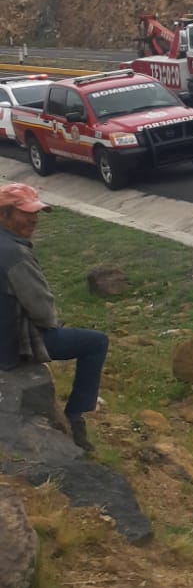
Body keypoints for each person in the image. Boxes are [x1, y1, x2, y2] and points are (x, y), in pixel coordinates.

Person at [0, 183, 107, 453]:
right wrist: (54, 326)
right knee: (95, 343)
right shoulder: (13, 253)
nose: (34, 219)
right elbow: (42, 311)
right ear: (4, 215)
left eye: (36, 213)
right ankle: (76, 415)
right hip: (10, 347)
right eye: (26, 213)